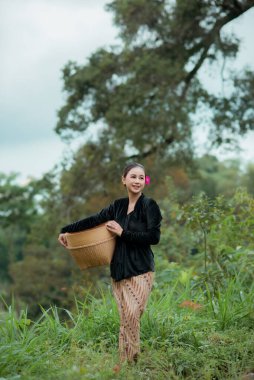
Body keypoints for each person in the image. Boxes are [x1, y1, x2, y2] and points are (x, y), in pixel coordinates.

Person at [58, 162, 162, 364]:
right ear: (124, 180)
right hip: (118, 271)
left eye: (141, 177)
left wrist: (123, 233)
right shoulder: (117, 206)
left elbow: (154, 237)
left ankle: (132, 360)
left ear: (145, 181)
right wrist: (65, 230)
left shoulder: (150, 206)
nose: (137, 181)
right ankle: (125, 364)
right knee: (125, 319)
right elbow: (93, 220)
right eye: (133, 176)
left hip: (141, 270)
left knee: (132, 315)